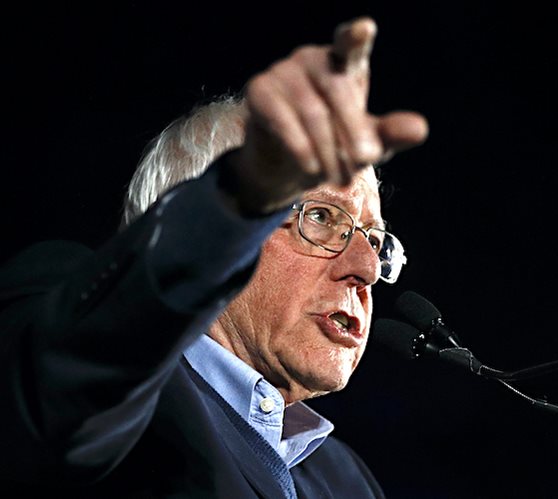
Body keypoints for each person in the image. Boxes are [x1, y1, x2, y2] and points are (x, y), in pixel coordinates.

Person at [0, 17, 427, 498]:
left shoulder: (346, 480)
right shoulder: (91, 356)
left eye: (375, 238)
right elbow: (55, 398)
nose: (366, 269)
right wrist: (226, 208)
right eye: (323, 217)